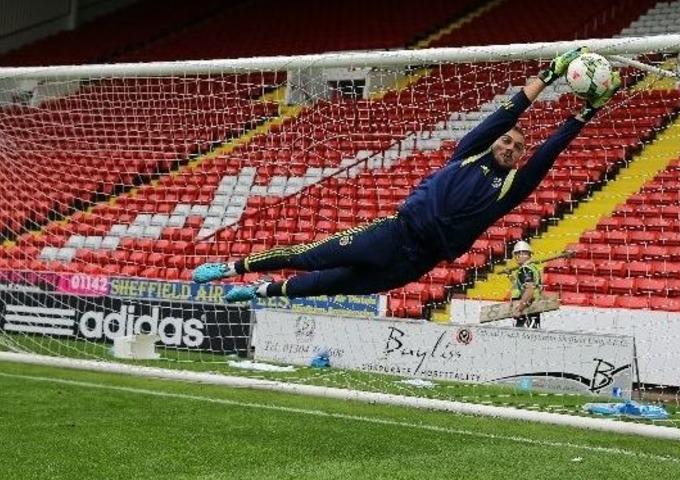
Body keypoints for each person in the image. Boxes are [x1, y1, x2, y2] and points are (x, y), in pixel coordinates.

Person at [192, 48, 621, 303]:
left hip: (420, 260)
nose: (510, 147)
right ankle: (232, 267)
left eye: (517, 148)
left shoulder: (511, 187)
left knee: (335, 284)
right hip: (396, 233)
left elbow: (550, 151)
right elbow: (507, 112)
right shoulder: (468, 152)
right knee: (313, 255)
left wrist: (585, 112)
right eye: (506, 142)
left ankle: (262, 292)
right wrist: (546, 77)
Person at [508, 241, 543, 328]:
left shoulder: (524, 270)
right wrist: (510, 276)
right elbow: (520, 285)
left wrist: (519, 309)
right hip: (534, 308)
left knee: (522, 337)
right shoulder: (533, 268)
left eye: (517, 254)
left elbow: (529, 290)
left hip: (526, 309)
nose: (517, 257)